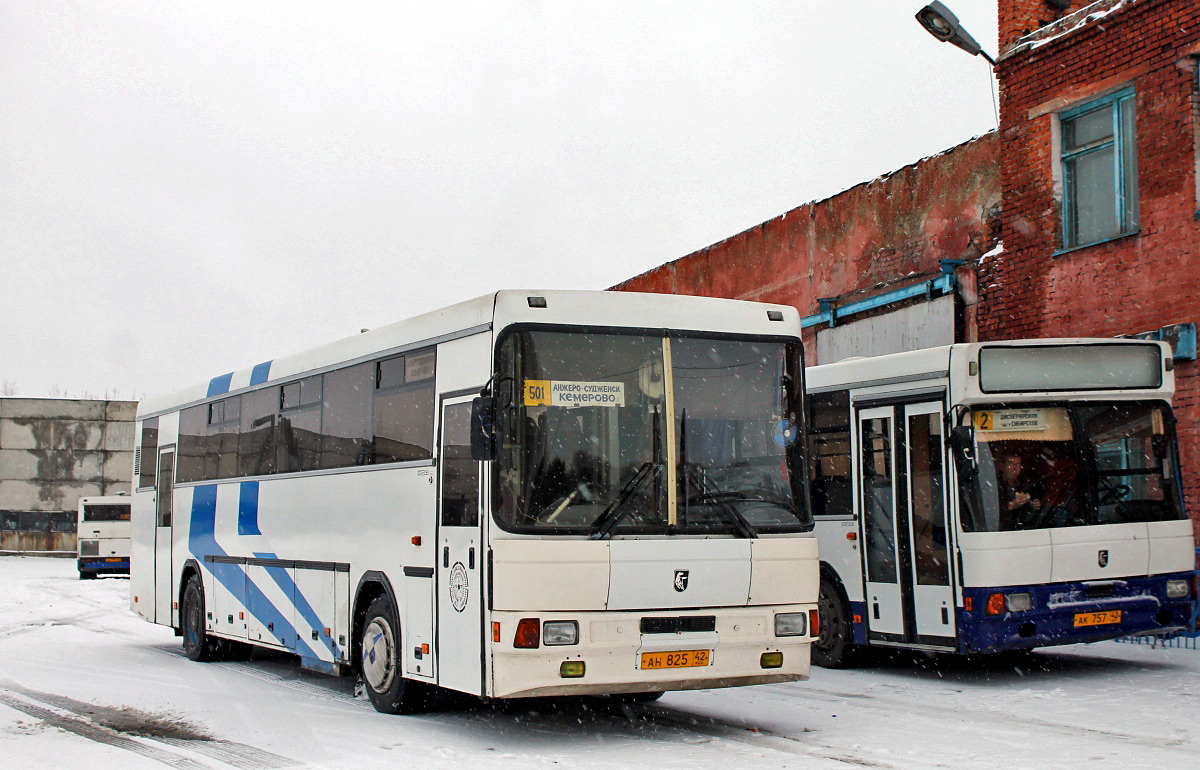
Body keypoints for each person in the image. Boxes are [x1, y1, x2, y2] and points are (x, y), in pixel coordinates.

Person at [998, 453, 1042, 529]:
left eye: (1018, 464)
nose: (1015, 468)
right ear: (1002, 466)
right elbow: (989, 511)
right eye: (1011, 464)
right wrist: (1010, 506)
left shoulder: (1025, 484)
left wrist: (1033, 505)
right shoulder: (995, 485)